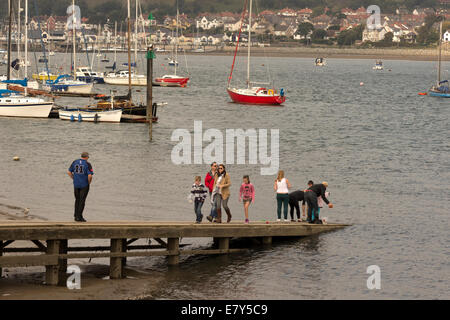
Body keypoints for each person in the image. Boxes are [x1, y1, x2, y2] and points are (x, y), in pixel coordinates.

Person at [67, 152, 93, 222]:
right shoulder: (87, 164)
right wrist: (89, 182)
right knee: (82, 201)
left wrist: (73, 178)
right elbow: (90, 175)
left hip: (76, 184)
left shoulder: (75, 162)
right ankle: (79, 217)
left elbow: (69, 172)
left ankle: (76, 216)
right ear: (87, 157)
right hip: (84, 185)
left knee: (77, 200)